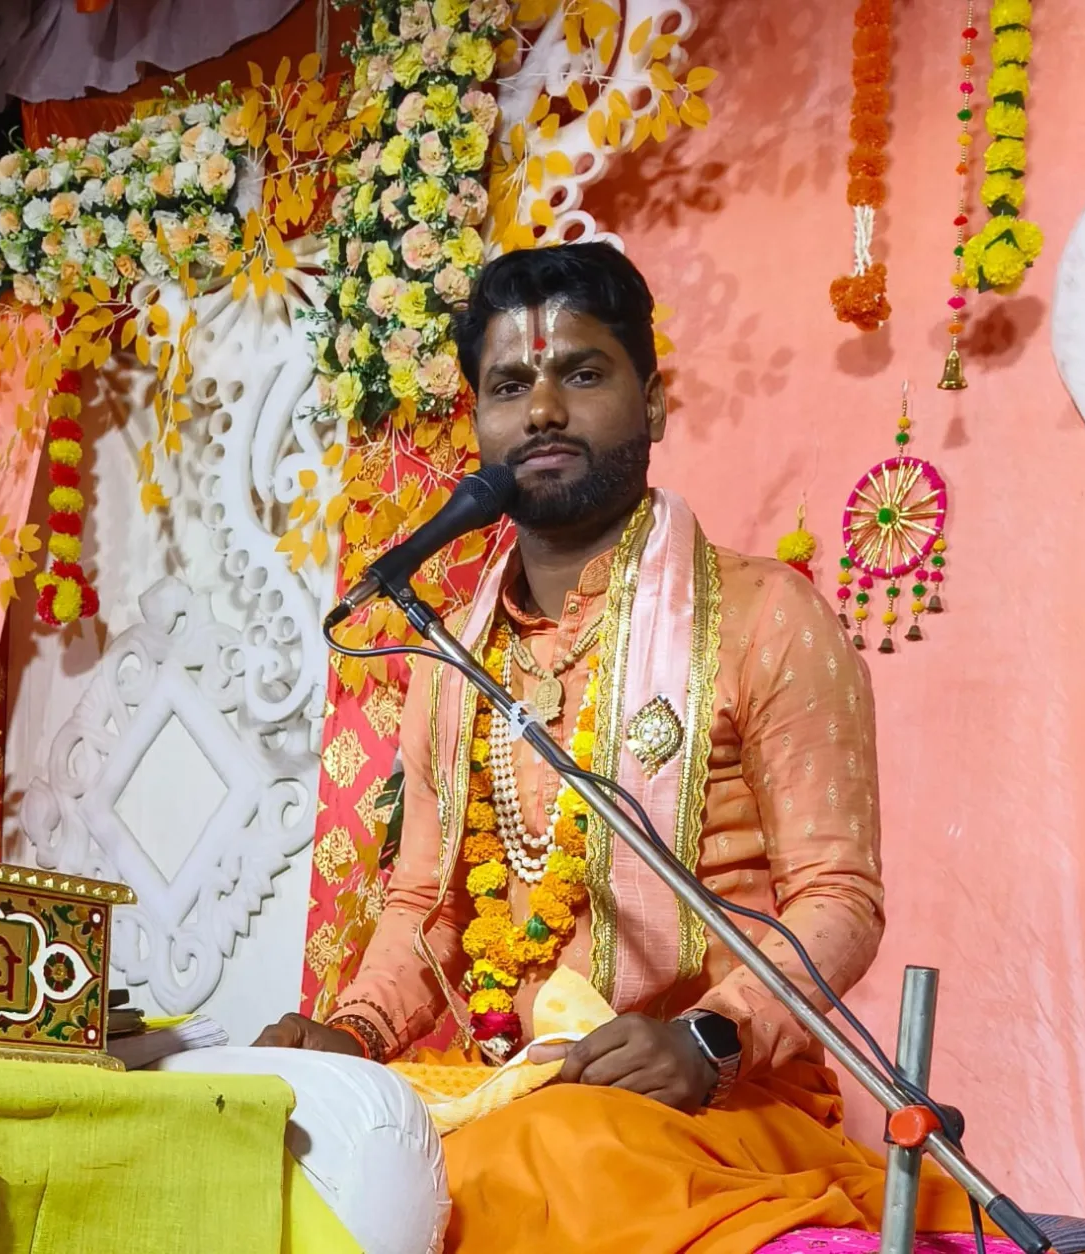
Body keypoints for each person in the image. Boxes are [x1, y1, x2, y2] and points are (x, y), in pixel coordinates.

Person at [256, 242, 982, 1252]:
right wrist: (350, 1035)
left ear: (653, 401)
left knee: (544, 1153)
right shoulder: (450, 658)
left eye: (583, 373)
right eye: (510, 385)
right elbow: (426, 906)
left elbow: (837, 899)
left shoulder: (767, 617)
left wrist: (711, 1037)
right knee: (288, 1139)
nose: (543, 411)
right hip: (516, 1091)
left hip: (720, 1105)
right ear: (479, 422)